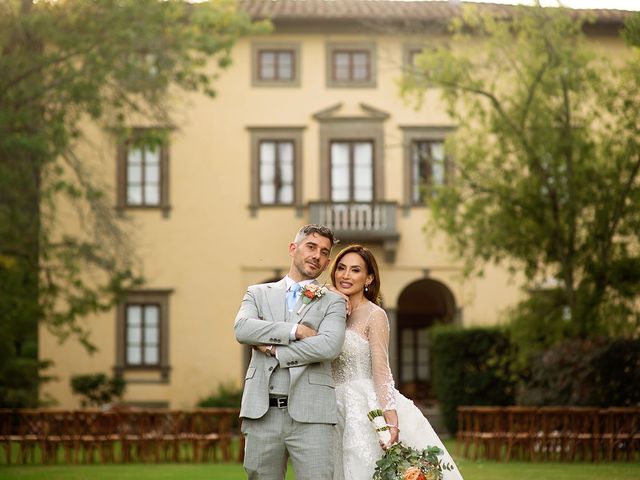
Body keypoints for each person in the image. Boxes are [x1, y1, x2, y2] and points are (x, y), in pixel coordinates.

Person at [328, 244, 464, 480]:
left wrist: (390, 417)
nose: (346, 275)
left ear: (368, 277)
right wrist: (330, 294)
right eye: (341, 268)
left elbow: (382, 370)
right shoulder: (328, 310)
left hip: (365, 407)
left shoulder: (375, 315)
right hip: (331, 407)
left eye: (355, 270)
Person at [234, 224, 347, 480]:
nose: (317, 255)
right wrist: (296, 330)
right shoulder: (257, 293)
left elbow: (329, 346)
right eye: (311, 246)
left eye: (324, 252)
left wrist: (274, 349)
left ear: (327, 261)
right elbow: (242, 329)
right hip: (261, 413)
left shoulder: (334, 301)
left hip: (313, 415)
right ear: (293, 248)